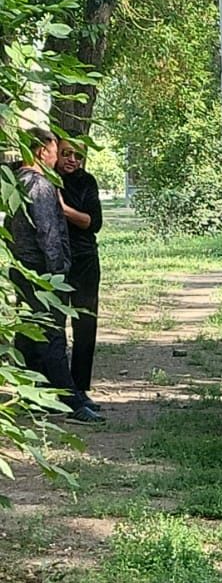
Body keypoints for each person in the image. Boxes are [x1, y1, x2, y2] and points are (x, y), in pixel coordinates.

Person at [8, 128, 104, 423]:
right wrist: (58, 271)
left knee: (28, 332)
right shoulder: (39, 185)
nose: (57, 158)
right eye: (55, 151)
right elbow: (49, 232)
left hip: (21, 267)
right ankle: (71, 402)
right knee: (52, 335)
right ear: (41, 152)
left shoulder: (16, 182)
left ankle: (30, 395)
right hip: (42, 271)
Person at [58, 139, 103, 410]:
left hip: (85, 260)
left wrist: (64, 210)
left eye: (78, 155)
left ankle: (81, 388)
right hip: (56, 261)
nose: (72, 159)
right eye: (66, 154)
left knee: (85, 324)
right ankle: (60, 387)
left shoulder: (87, 181)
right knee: (54, 326)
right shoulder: (47, 179)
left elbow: (93, 222)